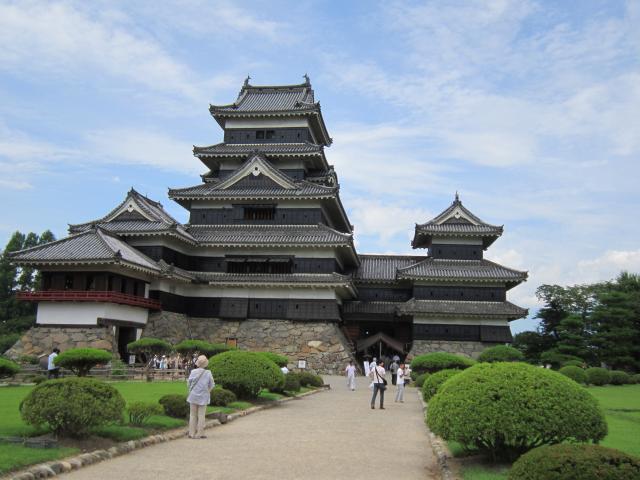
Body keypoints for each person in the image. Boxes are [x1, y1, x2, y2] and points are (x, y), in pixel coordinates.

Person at [186, 355, 215, 439]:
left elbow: (188, 383)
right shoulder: (208, 373)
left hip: (193, 396)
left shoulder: (193, 372)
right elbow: (212, 385)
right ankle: (200, 433)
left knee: (192, 415)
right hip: (203, 396)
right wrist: (207, 391)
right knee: (201, 415)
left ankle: (191, 433)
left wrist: (192, 390)